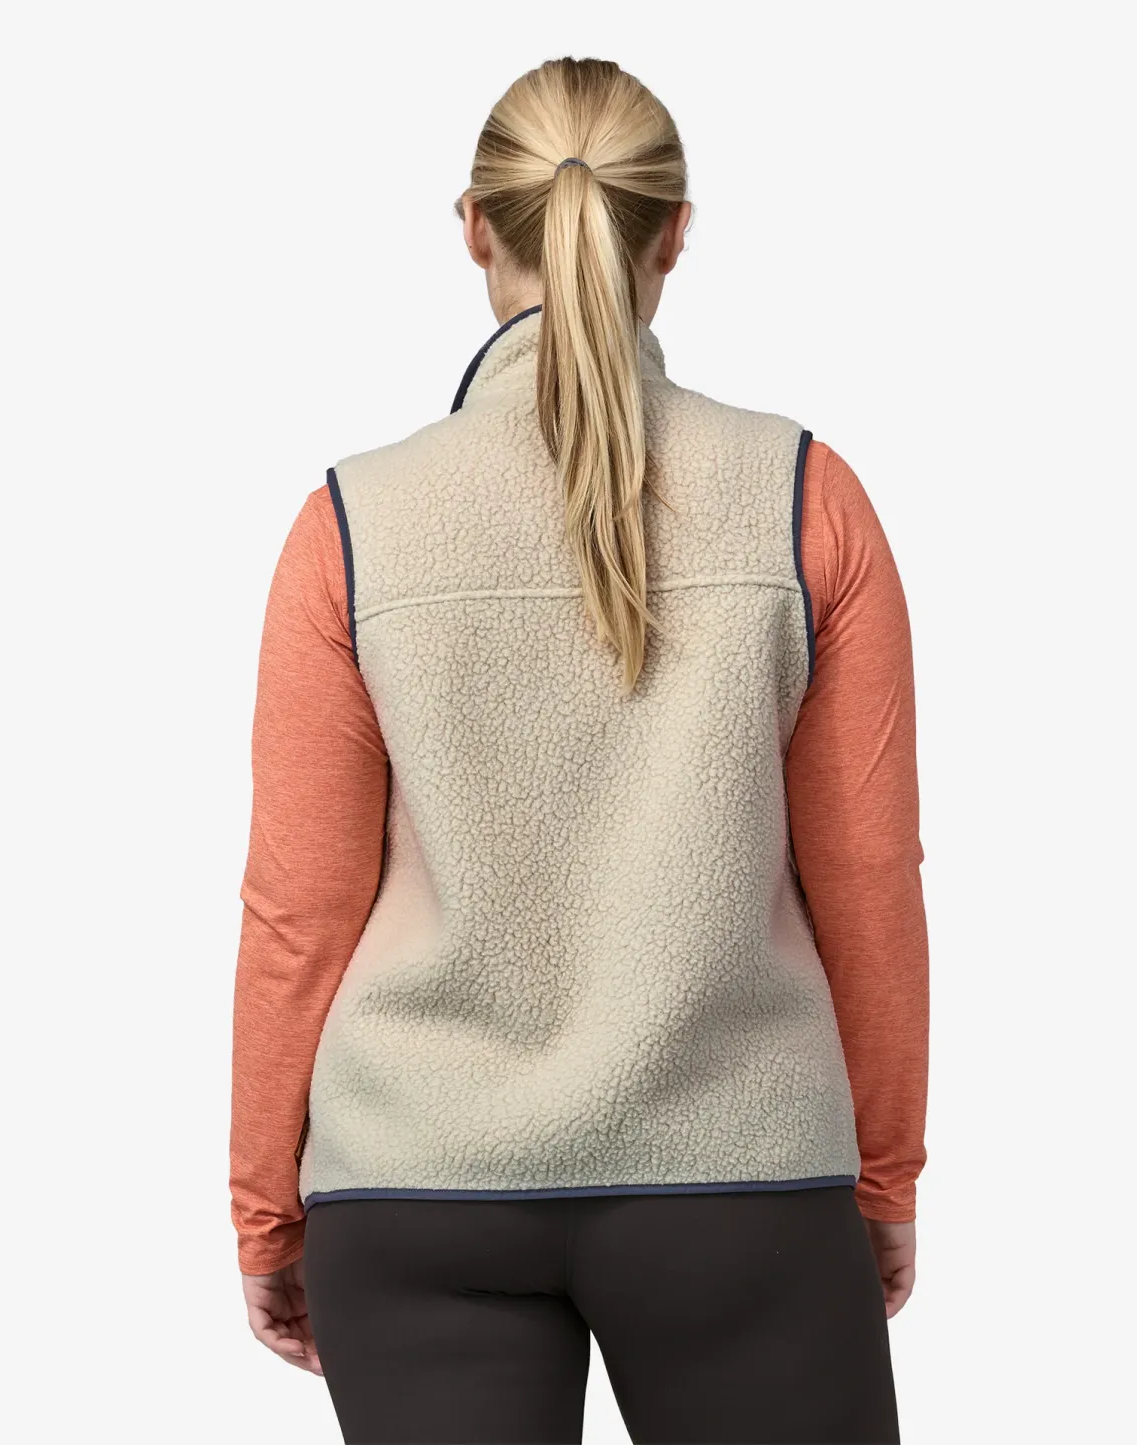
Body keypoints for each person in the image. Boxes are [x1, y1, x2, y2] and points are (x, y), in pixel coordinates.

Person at [229, 55, 929, 1445]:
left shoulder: (351, 524)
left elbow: (296, 913)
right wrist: (885, 1176)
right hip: (740, 1178)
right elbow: (869, 878)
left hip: (415, 1184)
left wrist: (266, 1207)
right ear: (676, 234)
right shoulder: (804, 496)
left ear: (473, 228)